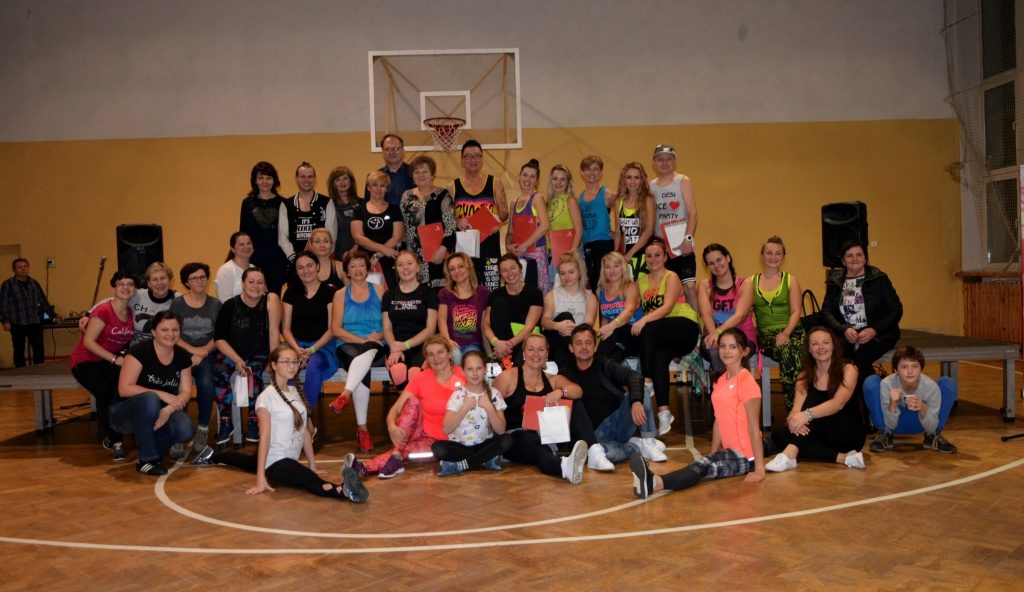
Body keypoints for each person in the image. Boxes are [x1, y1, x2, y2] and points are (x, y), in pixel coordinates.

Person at [192, 344, 368, 502]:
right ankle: (341, 490)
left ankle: (213, 456)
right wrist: (261, 478)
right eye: (286, 362)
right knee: (307, 478)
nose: (292, 366)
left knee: (244, 461)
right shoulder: (265, 398)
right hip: (275, 461)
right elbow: (265, 438)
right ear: (274, 365)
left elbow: (304, 432)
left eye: (295, 362)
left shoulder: (294, 391)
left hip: (286, 457)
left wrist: (312, 464)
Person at [630, 328, 766, 498]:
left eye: (733, 347)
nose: (726, 351)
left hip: (746, 457)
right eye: (723, 346)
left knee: (703, 466)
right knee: (705, 462)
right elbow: (719, 421)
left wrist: (759, 468)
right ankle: (652, 482)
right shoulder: (720, 380)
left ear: (744, 351)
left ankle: (655, 483)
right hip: (730, 451)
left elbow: (754, 429)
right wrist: (713, 453)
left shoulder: (747, 381)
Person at [351, 336, 466, 479]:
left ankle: (364, 468)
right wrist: (391, 426)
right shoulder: (421, 377)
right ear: (426, 358)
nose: (436, 358)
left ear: (449, 353)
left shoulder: (463, 376)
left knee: (405, 450)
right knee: (412, 402)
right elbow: (396, 408)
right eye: (431, 354)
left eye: (440, 352)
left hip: (445, 441)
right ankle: (395, 454)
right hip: (420, 432)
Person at [490, 333, 592, 484]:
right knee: (531, 441)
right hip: (517, 437)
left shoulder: (552, 379)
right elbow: (490, 410)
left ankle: (593, 449)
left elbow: (578, 391)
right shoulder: (508, 377)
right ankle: (564, 466)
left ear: (547, 354)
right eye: (531, 349)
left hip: (547, 436)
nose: (536, 354)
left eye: (541, 349)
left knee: (575, 403)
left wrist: (561, 392)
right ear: (524, 353)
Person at [764, 326, 867, 472]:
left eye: (825, 342)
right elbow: (796, 409)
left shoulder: (848, 368)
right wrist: (793, 420)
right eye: (815, 344)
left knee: (808, 410)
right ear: (809, 349)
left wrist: (806, 415)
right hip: (822, 435)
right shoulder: (804, 376)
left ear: (833, 346)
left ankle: (786, 452)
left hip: (848, 433)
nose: (821, 347)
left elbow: (838, 404)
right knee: (795, 432)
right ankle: (844, 458)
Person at [561, 324, 664, 467]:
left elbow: (634, 376)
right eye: (579, 343)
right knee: (607, 454)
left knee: (642, 390)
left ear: (595, 347)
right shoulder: (565, 374)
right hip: (594, 437)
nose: (584, 347)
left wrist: (636, 401)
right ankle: (636, 447)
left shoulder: (605, 364)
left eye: (588, 342)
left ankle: (648, 441)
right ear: (571, 348)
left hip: (618, 422)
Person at [110, 311, 195, 476]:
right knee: (150, 398)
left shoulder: (183, 356)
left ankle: (148, 448)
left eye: (175, 330)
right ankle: (146, 459)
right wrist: (162, 394)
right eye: (164, 330)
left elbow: (185, 391)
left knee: (185, 427)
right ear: (154, 332)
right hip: (124, 414)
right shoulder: (139, 351)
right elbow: (124, 389)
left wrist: (169, 409)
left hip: (159, 414)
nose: (170, 334)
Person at [632, 238, 702, 435]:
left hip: (683, 326)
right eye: (649, 256)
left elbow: (668, 307)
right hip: (661, 334)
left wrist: (643, 320)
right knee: (659, 357)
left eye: (657, 255)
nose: (653, 259)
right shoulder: (641, 281)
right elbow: (630, 305)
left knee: (648, 328)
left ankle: (647, 381)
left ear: (665, 257)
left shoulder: (671, 277)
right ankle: (664, 413)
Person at [822, 240, 903, 400]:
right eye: (849, 255)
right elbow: (826, 312)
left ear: (865, 258)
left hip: (879, 334)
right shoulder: (835, 281)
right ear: (843, 260)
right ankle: (848, 403)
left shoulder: (879, 278)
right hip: (846, 334)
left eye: (859, 255)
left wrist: (874, 330)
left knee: (859, 361)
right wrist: (843, 329)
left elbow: (896, 310)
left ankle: (867, 404)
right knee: (838, 360)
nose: (855, 258)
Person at [69, 270, 137, 462]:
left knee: (122, 391)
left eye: (130, 284)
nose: (125, 287)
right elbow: (89, 342)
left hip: (106, 361)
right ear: (114, 287)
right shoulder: (104, 310)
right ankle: (115, 441)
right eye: (121, 284)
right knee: (104, 393)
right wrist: (115, 359)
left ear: (134, 289)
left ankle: (118, 431)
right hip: (86, 359)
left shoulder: (131, 313)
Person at [212, 267, 282, 445]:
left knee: (254, 373)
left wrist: (273, 360)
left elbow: (274, 332)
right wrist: (236, 359)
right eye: (251, 282)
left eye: (260, 282)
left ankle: (254, 420)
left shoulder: (270, 301)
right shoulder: (230, 305)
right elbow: (219, 339)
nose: (256, 286)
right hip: (231, 352)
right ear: (243, 283)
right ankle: (225, 421)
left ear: (265, 285)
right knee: (219, 372)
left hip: (258, 353)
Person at [328, 250, 386, 453]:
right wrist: (363, 340)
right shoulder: (340, 295)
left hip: (376, 343)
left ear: (368, 268)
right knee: (362, 362)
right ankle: (362, 430)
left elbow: (388, 323)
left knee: (365, 357)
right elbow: (336, 330)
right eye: (353, 266)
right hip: (348, 344)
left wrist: (379, 335)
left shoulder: (379, 290)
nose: (358, 269)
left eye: (361, 265)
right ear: (347, 272)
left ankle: (345, 395)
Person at [431, 350, 512, 476]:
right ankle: (485, 459)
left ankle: (461, 465)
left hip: (484, 444)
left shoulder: (494, 394)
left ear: (485, 370)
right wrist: (465, 407)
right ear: (463, 371)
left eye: (478, 368)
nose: (474, 373)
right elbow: (446, 429)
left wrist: (489, 407)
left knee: (507, 440)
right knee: (438, 448)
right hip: (460, 446)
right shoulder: (458, 395)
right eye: (470, 369)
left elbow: (501, 430)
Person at [169, 263, 221, 454]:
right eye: (194, 278)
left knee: (206, 383)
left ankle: (202, 430)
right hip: (182, 353)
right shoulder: (178, 304)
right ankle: (178, 433)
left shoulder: (215, 304)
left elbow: (220, 335)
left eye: (202, 277)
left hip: (206, 354)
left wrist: (203, 352)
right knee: (177, 387)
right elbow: (172, 333)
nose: (199, 281)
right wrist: (192, 351)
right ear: (186, 282)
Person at [866, 346, 957, 454]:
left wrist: (923, 408)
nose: (910, 371)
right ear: (896, 370)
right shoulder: (887, 384)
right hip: (892, 424)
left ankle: (932, 436)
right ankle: (885, 434)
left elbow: (931, 426)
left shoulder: (931, 387)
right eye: (904, 367)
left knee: (948, 383)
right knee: (870, 382)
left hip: (922, 424)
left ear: (921, 369)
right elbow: (891, 424)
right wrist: (892, 404)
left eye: (915, 366)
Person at [752, 236, 807, 409]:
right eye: (769, 253)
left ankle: (795, 409)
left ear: (783, 256)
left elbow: (796, 311)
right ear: (762, 255)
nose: (773, 257)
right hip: (767, 335)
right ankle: (797, 409)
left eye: (778, 253)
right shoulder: (751, 282)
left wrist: (786, 333)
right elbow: (744, 311)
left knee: (789, 352)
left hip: (792, 330)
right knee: (789, 353)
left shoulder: (791, 280)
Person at [449, 139, 509, 292]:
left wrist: (496, 220)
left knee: (492, 288)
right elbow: (447, 218)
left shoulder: (495, 182)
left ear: (482, 159)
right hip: (465, 248)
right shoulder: (452, 186)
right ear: (462, 160)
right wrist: (457, 221)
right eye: (468, 156)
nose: (473, 160)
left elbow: (504, 213)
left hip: (490, 243)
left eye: (477, 156)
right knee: (466, 288)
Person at [281, 253, 338, 408]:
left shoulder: (330, 292)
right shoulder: (290, 292)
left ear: (317, 266)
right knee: (289, 365)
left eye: (309, 266)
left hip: (322, 346)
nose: (306, 271)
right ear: (296, 271)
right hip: (296, 345)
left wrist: (312, 349)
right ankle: (290, 411)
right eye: (300, 267)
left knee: (314, 365)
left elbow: (332, 329)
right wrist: (297, 349)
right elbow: (285, 328)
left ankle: (305, 413)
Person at [650, 144, 699, 310]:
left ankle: (697, 323)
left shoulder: (683, 181)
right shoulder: (650, 186)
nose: (664, 163)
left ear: (675, 161)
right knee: (666, 290)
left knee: (689, 287)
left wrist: (688, 238)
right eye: (660, 159)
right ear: (654, 162)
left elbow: (693, 212)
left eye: (668, 159)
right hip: (661, 247)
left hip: (681, 245)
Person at [382, 251, 439, 390]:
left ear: (418, 267)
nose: (405, 268)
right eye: (400, 265)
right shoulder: (389, 295)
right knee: (398, 372)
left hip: (421, 345)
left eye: (409, 263)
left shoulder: (429, 293)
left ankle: (413, 404)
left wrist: (405, 345)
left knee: (415, 374)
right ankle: (407, 402)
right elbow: (387, 328)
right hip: (396, 345)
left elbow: (430, 330)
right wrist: (394, 347)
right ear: (396, 269)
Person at [697, 243, 757, 373]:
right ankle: (725, 384)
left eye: (719, 260)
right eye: (711, 263)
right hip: (712, 336)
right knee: (715, 350)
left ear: (728, 258)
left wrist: (718, 333)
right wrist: (714, 335)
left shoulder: (745, 284)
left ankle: (722, 383)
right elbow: (706, 314)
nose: (716, 265)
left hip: (742, 337)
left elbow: (740, 315)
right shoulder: (704, 285)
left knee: (730, 351)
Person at [400, 154, 457, 289]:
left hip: (436, 254)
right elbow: (402, 224)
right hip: (412, 254)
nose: (421, 175)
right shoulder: (407, 195)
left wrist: (443, 249)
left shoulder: (443, 194)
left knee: (436, 294)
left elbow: (451, 225)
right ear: (412, 176)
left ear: (432, 174)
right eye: (416, 172)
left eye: (425, 171)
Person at [483, 254, 544, 368]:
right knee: (500, 302)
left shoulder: (535, 293)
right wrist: (496, 342)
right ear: (500, 274)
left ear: (520, 268)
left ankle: (509, 361)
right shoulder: (494, 295)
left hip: (526, 341)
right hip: (502, 345)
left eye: (513, 268)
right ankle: (506, 360)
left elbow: (529, 327)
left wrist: (508, 345)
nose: (510, 273)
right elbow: (486, 324)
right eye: (504, 270)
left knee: (520, 368)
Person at [540, 252, 598, 369]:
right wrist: (558, 326)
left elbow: (588, 324)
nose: (566, 277)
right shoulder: (552, 295)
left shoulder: (590, 297)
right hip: (554, 340)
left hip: (576, 343)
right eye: (562, 273)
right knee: (565, 316)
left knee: (574, 338)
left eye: (571, 272)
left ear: (579, 273)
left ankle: (568, 370)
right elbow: (544, 321)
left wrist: (571, 329)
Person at [239, 161, 287, 294]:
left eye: (268, 178)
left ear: (274, 180)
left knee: (273, 297)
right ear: (255, 181)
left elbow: (286, 235)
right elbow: (243, 233)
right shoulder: (247, 203)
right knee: (254, 296)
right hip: (254, 259)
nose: (265, 181)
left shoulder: (283, 203)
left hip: (276, 260)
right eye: (260, 178)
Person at [352, 170, 405, 290]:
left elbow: (398, 236)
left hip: (388, 261)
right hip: (365, 262)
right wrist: (383, 249)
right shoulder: (359, 210)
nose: (378, 189)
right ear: (368, 188)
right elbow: (358, 237)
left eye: (382, 185)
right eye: (374, 185)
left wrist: (377, 256)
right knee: (367, 295)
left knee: (390, 295)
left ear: (387, 189)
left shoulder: (394, 209)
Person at [278, 161, 336, 264]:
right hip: (295, 263)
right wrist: (295, 260)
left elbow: (332, 235)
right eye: (302, 176)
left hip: (321, 261)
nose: (306, 180)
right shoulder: (286, 204)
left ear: (315, 179)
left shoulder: (326, 202)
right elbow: (283, 238)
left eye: (310, 177)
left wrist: (319, 259)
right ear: (296, 179)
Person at [507, 158, 551, 293]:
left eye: (532, 176)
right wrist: (509, 245)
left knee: (537, 293)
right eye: (525, 175)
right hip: (520, 254)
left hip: (535, 254)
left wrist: (525, 245)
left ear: (537, 181)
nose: (528, 179)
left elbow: (545, 225)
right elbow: (510, 232)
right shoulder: (514, 203)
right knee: (521, 293)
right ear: (519, 177)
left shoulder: (537, 198)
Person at [437, 252, 490, 361]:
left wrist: (489, 352)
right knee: (455, 355)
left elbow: (484, 325)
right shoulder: (445, 293)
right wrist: (447, 341)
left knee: (470, 360)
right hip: (451, 343)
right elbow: (441, 319)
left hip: (473, 345)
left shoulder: (483, 292)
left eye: (461, 266)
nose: (457, 271)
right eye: (452, 269)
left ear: (469, 268)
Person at [0, 258, 52, 367]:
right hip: (17, 323)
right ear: (14, 270)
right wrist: (5, 320)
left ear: (28, 268)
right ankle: (20, 373)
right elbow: (3, 304)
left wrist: (52, 315)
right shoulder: (8, 284)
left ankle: (40, 372)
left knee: (39, 349)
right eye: (19, 267)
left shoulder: (34, 283)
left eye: (25, 266)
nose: (23, 269)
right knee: (19, 351)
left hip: (34, 322)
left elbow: (43, 301)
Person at [577, 155, 616, 290]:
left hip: (603, 244)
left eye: (595, 169)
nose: (592, 172)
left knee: (606, 283)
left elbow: (624, 211)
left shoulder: (607, 193)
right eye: (588, 169)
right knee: (593, 284)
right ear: (582, 172)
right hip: (587, 246)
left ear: (601, 172)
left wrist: (619, 234)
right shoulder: (580, 198)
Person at [610, 162, 656, 279]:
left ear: (642, 180)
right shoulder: (619, 201)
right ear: (623, 180)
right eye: (629, 177)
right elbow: (618, 231)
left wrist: (630, 254)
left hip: (643, 254)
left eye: (636, 177)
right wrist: (616, 254)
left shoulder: (648, 199)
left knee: (641, 288)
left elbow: (648, 231)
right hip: (624, 256)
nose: (632, 181)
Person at [595, 251, 642, 363]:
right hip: (614, 336)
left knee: (617, 333)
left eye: (616, 266)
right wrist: (603, 332)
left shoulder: (630, 286)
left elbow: (629, 311)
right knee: (605, 356)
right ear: (603, 270)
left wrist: (611, 327)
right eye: (608, 267)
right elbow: (605, 317)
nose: (612, 271)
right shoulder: (600, 291)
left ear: (623, 268)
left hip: (633, 333)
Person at [545, 165, 583, 284]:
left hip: (569, 252)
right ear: (551, 181)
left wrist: (572, 251)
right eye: (555, 178)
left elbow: (579, 229)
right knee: (554, 287)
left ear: (568, 182)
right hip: (552, 253)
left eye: (563, 179)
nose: (558, 182)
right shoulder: (547, 203)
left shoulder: (570, 200)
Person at [369, 134, 413, 207]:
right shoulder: (373, 178)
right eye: (387, 149)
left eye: (395, 148)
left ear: (403, 150)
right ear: (382, 151)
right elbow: (368, 206)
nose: (392, 152)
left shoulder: (415, 173)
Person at [326, 166, 361, 258]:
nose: (342, 183)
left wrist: (352, 252)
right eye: (337, 180)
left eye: (345, 178)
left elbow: (367, 232)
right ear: (333, 184)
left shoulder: (362, 204)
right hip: (335, 255)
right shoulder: (328, 206)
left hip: (359, 254)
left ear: (351, 181)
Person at [215, 232, 254, 303]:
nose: (246, 247)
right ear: (233, 249)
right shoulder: (226, 270)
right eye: (241, 244)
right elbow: (225, 302)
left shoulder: (254, 268)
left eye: (249, 243)